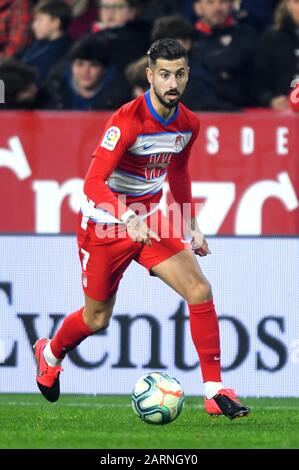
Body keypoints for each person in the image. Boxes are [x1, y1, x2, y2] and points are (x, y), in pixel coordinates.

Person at [33, 38, 250, 420]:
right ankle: (49, 353)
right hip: (104, 225)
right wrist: (126, 216)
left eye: (179, 74)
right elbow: (93, 183)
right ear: (150, 75)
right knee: (96, 319)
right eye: (164, 74)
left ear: (187, 75)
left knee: (199, 289)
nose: (172, 82)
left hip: (149, 220)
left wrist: (191, 226)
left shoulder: (188, 124)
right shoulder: (128, 121)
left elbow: (178, 172)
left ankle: (215, 390)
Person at [39, 34, 130, 110]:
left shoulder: (120, 99)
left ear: (104, 70)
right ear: (71, 66)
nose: (86, 71)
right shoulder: (53, 92)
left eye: (94, 65)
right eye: (80, 64)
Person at [254, 0, 299, 109]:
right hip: (282, 117)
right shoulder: (271, 39)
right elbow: (257, 85)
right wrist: (270, 100)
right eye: (297, 2)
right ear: (287, 4)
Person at [21, 1, 73, 87]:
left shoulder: (62, 52)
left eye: (39, 20)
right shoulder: (39, 43)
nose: (34, 25)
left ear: (56, 23)